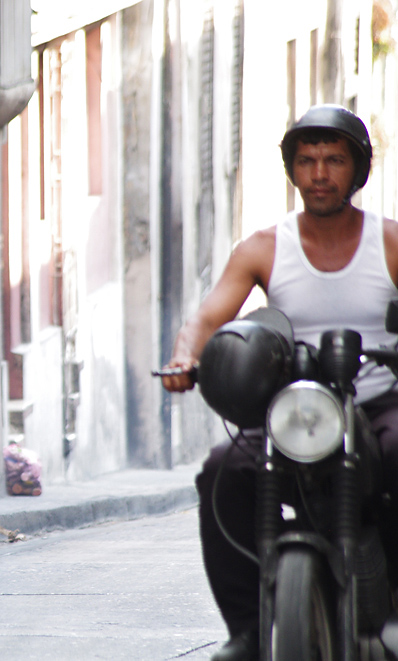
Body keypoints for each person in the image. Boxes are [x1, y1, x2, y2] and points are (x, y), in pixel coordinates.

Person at [162, 104, 398, 661]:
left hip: (377, 401)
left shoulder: (388, 243)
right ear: (292, 171)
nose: (320, 173)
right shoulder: (264, 248)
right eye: (308, 160)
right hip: (293, 410)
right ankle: (246, 629)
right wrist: (182, 359)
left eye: (334, 160)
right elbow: (207, 317)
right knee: (223, 470)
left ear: (357, 170)